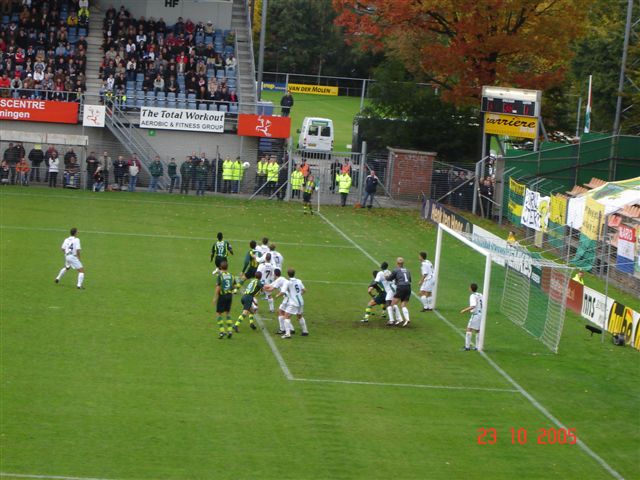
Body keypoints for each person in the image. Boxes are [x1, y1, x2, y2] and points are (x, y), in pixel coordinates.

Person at [276, 268, 308, 338]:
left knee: (286, 316)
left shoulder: (287, 282)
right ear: (294, 274)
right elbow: (304, 290)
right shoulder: (299, 281)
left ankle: (288, 334)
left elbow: (283, 292)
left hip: (293, 303)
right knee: (300, 316)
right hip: (301, 301)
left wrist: (277, 295)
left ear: (288, 274)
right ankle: (305, 331)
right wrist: (298, 294)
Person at [214, 260, 237, 339]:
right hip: (229, 296)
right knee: (227, 313)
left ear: (220, 267)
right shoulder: (231, 276)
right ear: (227, 267)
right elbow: (234, 286)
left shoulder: (220, 276)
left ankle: (222, 332)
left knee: (218, 313)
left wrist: (215, 298)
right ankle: (230, 330)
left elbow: (218, 287)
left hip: (222, 296)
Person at [386, 257, 411, 327]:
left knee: (392, 304)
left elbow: (389, 278)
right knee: (403, 305)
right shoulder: (407, 270)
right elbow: (409, 280)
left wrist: (386, 277)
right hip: (408, 287)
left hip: (401, 287)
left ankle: (395, 319)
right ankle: (407, 319)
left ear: (397, 263)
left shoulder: (395, 270)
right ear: (403, 263)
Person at [460, 283, 483, 351]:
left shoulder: (472, 296)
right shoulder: (480, 294)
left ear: (471, 288)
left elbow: (473, 306)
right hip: (481, 314)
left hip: (476, 315)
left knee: (469, 329)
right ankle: (477, 346)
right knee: (478, 330)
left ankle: (467, 347)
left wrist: (464, 310)